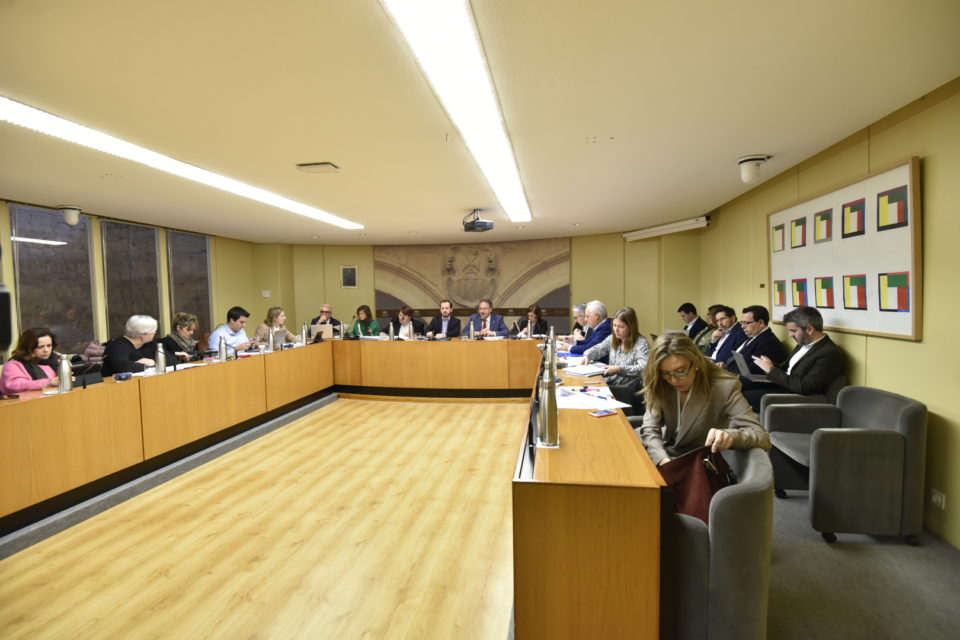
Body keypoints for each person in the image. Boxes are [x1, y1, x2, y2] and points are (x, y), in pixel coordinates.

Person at [636, 334, 771, 466]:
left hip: (694, 462)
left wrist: (731, 436)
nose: (673, 380)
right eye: (666, 373)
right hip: (659, 452)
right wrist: (663, 460)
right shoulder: (659, 380)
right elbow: (650, 428)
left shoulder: (724, 387)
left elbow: (762, 437)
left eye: (681, 371)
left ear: (696, 363)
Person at [744, 305, 845, 412]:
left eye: (793, 330)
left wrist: (772, 370)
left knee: (740, 397)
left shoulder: (829, 353)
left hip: (794, 397)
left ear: (809, 329)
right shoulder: (803, 342)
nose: (790, 335)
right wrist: (768, 364)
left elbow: (805, 387)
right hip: (781, 386)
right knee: (737, 387)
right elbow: (787, 368)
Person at [578, 307, 650, 413]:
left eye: (621, 326)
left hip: (627, 390)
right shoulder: (613, 338)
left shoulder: (641, 343)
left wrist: (619, 369)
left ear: (631, 326)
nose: (616, 330)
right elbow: (599, 348)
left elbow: (644, 368)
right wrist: (587, 356)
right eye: (614, 325)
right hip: (611, 385)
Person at [721, 305, 786, 376]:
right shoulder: (752, 335)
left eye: (747, 323)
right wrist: (724, 365)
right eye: (742, 322)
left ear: (760, 323)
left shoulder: (769, 343)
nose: (742, 326)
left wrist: (726, 371)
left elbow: (752, 371)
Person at [0, 328, 61, 394]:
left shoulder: (56, 361)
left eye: (49, 345)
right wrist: (49, 382)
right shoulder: (13, 365)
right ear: (28, 347)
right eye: (40, 347)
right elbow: (14, 386)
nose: (46, 350)